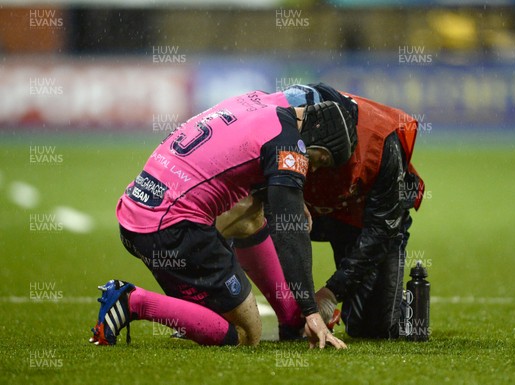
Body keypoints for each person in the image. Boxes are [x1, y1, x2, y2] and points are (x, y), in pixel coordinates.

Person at [88, 89, 356, 349]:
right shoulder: (290, 147)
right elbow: (291, 232)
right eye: (318, 160)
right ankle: (133, 302)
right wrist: (310, 310)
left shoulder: (260, 100)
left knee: (249, 216)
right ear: (314, 141)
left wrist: (290, 195)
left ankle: (290, 318)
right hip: (169, 230)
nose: (313, 169)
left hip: (139, 209)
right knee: (246, 334)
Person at [221, 83, 424, 339]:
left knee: (374, 328)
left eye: (323, 162)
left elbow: (382, 228)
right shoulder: (271, 125)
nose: (314, 171)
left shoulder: (383, 140)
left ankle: (396, 306)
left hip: (361, 219)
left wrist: (330, 294)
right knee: (239, 211)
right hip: (308, 209)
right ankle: (215, 302)